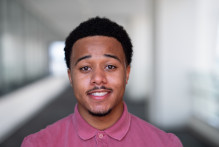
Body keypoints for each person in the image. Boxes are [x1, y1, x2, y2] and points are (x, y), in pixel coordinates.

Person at [21, 17, 183, 147]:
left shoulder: (166, 144)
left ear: (127, 73)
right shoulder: (37, 144)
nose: (98, 78)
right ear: (70, 77)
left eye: (110, 66)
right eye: (85, 68)